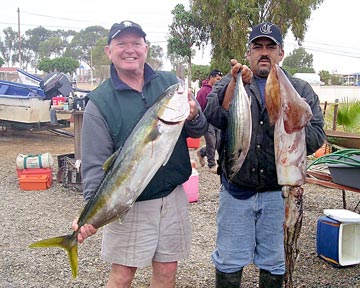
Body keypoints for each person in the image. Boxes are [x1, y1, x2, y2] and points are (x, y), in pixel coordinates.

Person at [72, 20, 207, 287]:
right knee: (123, 275)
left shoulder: (169, 83)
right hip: (129, 203)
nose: (129, 49)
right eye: (121, 43)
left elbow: (198, 128)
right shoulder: (100, 102)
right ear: (109, 52)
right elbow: (93, 164)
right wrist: (90, 209)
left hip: (173, 196)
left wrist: (193, 114)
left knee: (167, 270)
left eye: (136, 43)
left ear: (146, 48)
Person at [204, 22, 326, 287]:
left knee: (273, 262)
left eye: (270, 47)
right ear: (248, 53)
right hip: (236, 191)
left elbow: (317, 136)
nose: (264, 52)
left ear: (281, 53)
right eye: (257, 46)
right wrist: (233, 84)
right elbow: (212, 115)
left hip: (277, 195)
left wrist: (289, 118)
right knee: (228, 260)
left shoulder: (300, 90)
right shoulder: (232, 81)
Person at [196, 69, 223, 173]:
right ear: (211, 78)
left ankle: (202, 152)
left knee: (218, 143)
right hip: (208, 122)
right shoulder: (203, 91)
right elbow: (198, 107)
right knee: (211, 143)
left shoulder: (220, 90)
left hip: (218, 121)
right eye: (217, 79)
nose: (219, 81)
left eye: (221, 79)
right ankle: (212, 165)